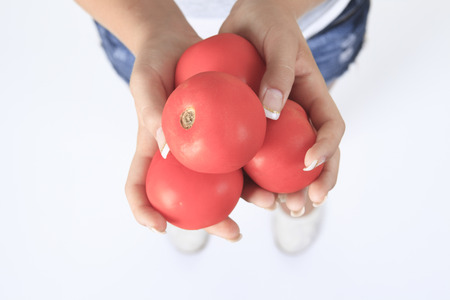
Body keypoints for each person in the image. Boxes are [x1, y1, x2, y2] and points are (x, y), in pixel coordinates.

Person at [75, 0, 370, 254]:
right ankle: (195, 212)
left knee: (300, 99)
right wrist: (152, 26)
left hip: (310, 21)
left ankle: (295, 199)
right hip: (135, 20)